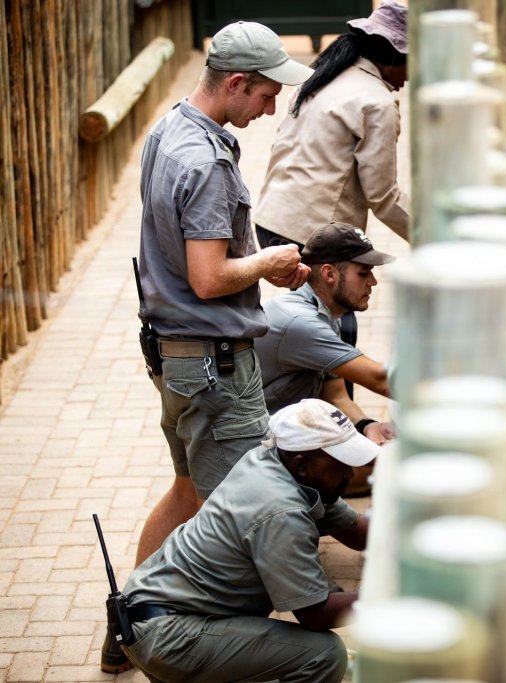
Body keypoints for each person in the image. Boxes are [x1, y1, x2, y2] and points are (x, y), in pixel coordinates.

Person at [108, 21, 314, 674]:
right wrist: (270, 263)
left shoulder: (170, 130)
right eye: (265, 94)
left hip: (177, 357)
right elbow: (208, 275)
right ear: (235, 82)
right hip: (216, 368)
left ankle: (127, 626)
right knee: (249, 519)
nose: (271, 107)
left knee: (186, 491)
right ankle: (219, 652)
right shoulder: (206, 162)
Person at [116, 399, 377, 683]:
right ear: (302, 464)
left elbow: (357, 532)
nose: (350, 474)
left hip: (157, 616)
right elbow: (315, 614)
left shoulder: (275, 460)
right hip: (170, 638)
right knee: (323, 655)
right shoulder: (282, 510)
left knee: (326, 591)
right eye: (341, 465)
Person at [252, 0, 410, 249]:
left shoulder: (323, 76)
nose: (410, 76)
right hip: (312, 237)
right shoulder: (378, 103)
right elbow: (382, 196)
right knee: (357, 285)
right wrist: (429, 236)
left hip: (270, 221)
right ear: (394, 56)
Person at [255, 223, 396, 454]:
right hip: (251, 446)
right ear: (329, 273)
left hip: (283, 434)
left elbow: (335, 395)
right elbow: (381, 380)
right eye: (363, 273)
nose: (373, 281)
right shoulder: (301, 322)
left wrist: (367, 425)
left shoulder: (327, 314)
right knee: (390, 467)